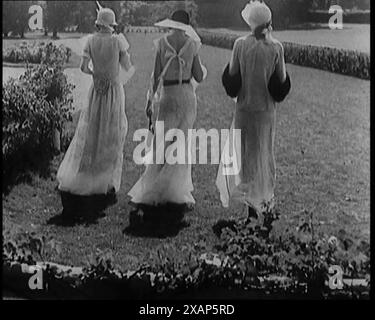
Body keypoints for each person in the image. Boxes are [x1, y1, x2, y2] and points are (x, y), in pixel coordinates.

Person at [127, 10, 206, 222]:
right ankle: (174, 191)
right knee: (181, 143)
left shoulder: (162, 43)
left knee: (162, 142)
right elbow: (198, 75)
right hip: (187, 97)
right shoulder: (192, 44)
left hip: (169, 96)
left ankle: (156, 187)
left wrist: (149, 102)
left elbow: (155, 76)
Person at [216, 1, 287, 221]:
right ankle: (263, 203)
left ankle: (251, 209)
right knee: (265, 156)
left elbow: (232, 80)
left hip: (244, 110)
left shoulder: (239, 44)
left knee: (246, 157)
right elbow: (281, 85)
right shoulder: (276, 48)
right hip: (265, 112)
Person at [57, 8, 133, 210]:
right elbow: (127, 67)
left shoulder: (90, 40)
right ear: (112, 24)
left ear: (99, 23)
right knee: (111, 132)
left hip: (96, 90)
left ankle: (88, 175)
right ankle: (105, 181)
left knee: (92, 130)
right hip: (114, 91)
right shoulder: (118, 41)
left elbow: (83, 68)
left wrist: (96, 74)